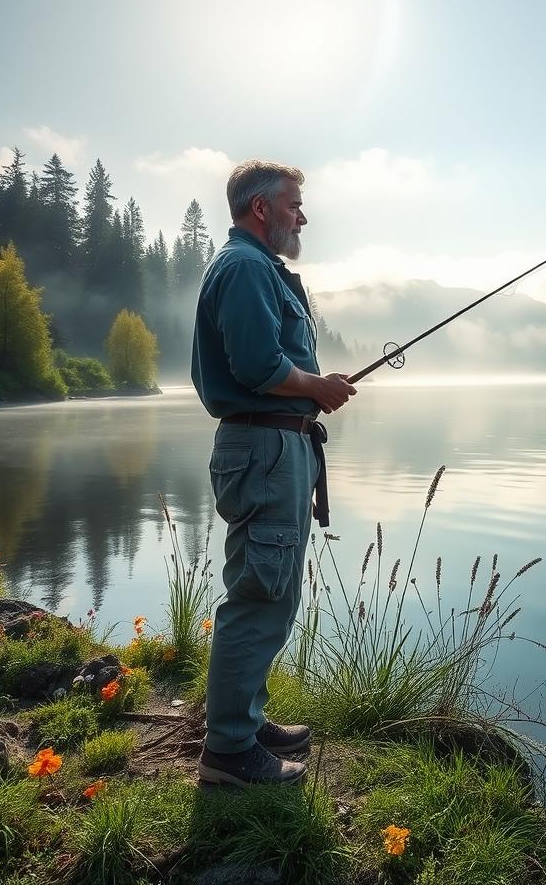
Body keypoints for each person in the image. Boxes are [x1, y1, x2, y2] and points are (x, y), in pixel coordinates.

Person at [190, 159, 356, 786]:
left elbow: (269, 364)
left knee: (275, 590)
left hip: (278, 449)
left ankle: (245, 720)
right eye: (293, 204)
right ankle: (228, 752)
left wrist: (313, 390)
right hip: (263, 451)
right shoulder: (244, 269)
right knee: (258, 592)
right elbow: (259, 366)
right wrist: (319, 386)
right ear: (260, 208)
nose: (302, 217)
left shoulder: (262, 271)